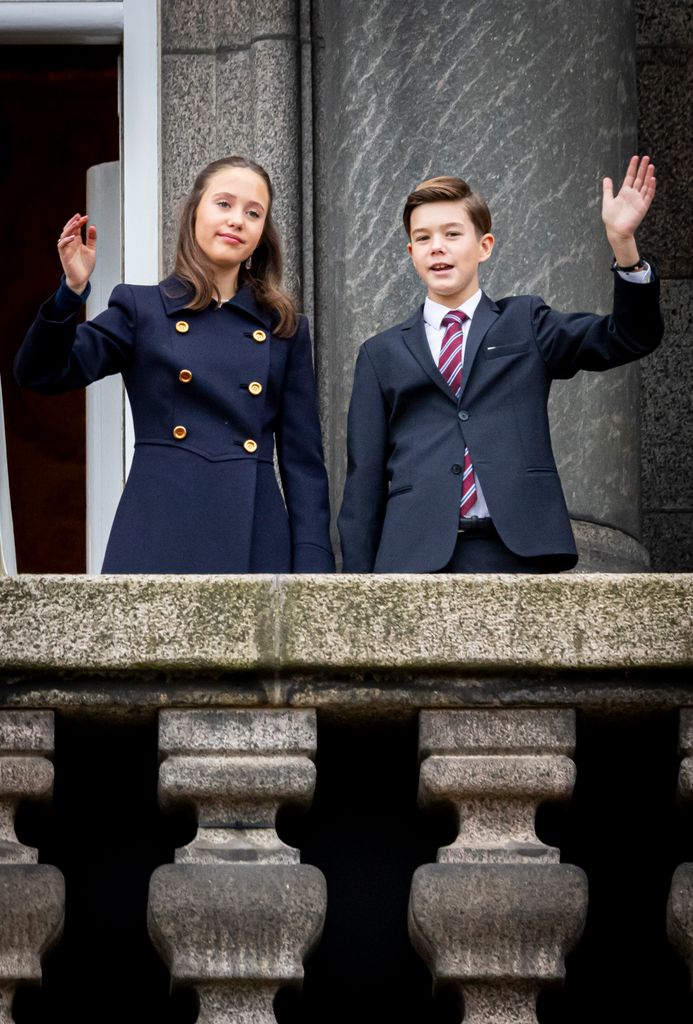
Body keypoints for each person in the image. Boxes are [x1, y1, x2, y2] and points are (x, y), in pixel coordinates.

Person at [338, 155, 663, 573]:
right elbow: (363, 480)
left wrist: (624, 245)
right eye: (423, 238)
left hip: (519, 550)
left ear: (484, 246)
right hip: (414, 555)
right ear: (412, 253)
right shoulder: (380, 353)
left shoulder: (525, 323)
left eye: (452, 233)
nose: (437, 246)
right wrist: (359, 589)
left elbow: (628, 337)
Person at [15, 156, 335, 573]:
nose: (237, 220)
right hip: (159, 527)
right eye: (224, 204)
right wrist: (71, 292)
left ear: (262, 235)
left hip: (256, 536)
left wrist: (313, 570)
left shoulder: (283, 327)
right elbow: (40, 373)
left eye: (253, 213)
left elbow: (303, 463)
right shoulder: (141, 309)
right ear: (194, 214)